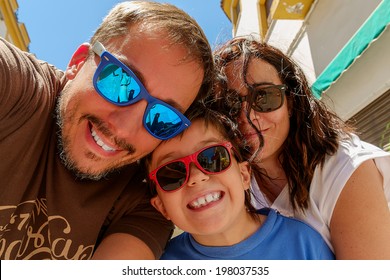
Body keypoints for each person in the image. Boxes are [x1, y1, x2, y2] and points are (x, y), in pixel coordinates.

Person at [0, 1, 213, 260]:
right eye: (120, 81)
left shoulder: (144, 203)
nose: (123, 129)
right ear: (78, 62)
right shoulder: (17, 89)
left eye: (162, 117)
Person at [210, 36, 390, 259]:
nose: (248, 117)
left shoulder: (345, 170)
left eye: (264, 97)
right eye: (230, 104)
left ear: (291, 101)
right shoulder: (237, 184)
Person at [144, 108, 334, 259]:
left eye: (212, 157)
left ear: (244, 175)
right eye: (171, 173)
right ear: (162, 207)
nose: (196, 176)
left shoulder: (304, 243)